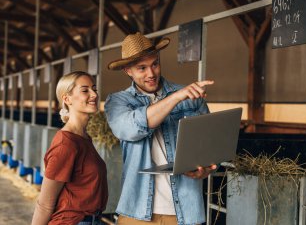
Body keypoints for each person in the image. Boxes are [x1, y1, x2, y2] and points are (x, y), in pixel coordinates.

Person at [105, 32, 217, 225]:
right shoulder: (118, 102)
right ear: (127, 71)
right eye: (142, 68)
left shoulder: (191, 97)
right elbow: (131, 129)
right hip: (137, 213)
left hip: (185, 212)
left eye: (155, 64)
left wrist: (206, 169)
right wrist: (174, 98)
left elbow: (209, 146)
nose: (151, 73)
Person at [31, 71, 108, 225]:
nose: (94, 94)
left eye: (94, 89)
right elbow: (45, 204)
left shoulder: (84, 138)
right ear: (67, 99)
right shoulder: (65, 144)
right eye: (85, 90)